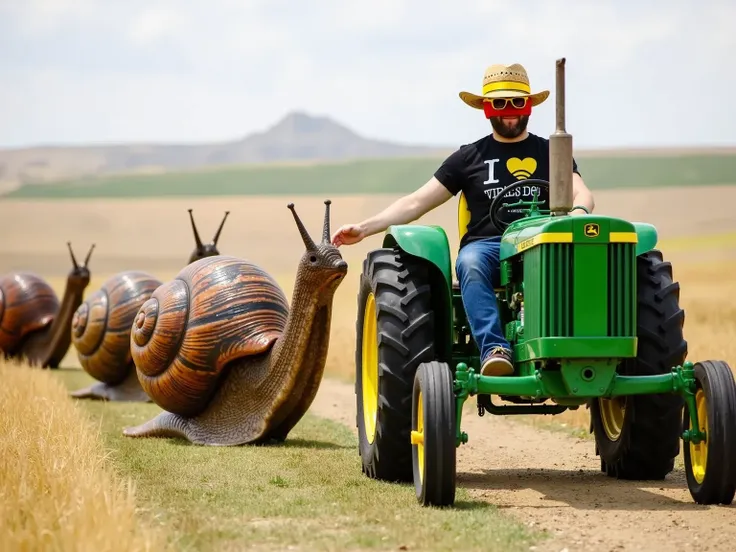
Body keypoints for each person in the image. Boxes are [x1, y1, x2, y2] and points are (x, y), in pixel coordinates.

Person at [331, 62, 595, 377]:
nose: (509, 110)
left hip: (542, 243)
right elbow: (417, 201)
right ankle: (495, 349)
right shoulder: (468, 157)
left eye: (517, 102)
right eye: (499, 103)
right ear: (486, 108)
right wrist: (364, 228)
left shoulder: (551, 152)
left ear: (529, 106)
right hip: (490, 248)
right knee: (470, 261)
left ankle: (587, 346)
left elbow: (583, 195)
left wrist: (579, 213)